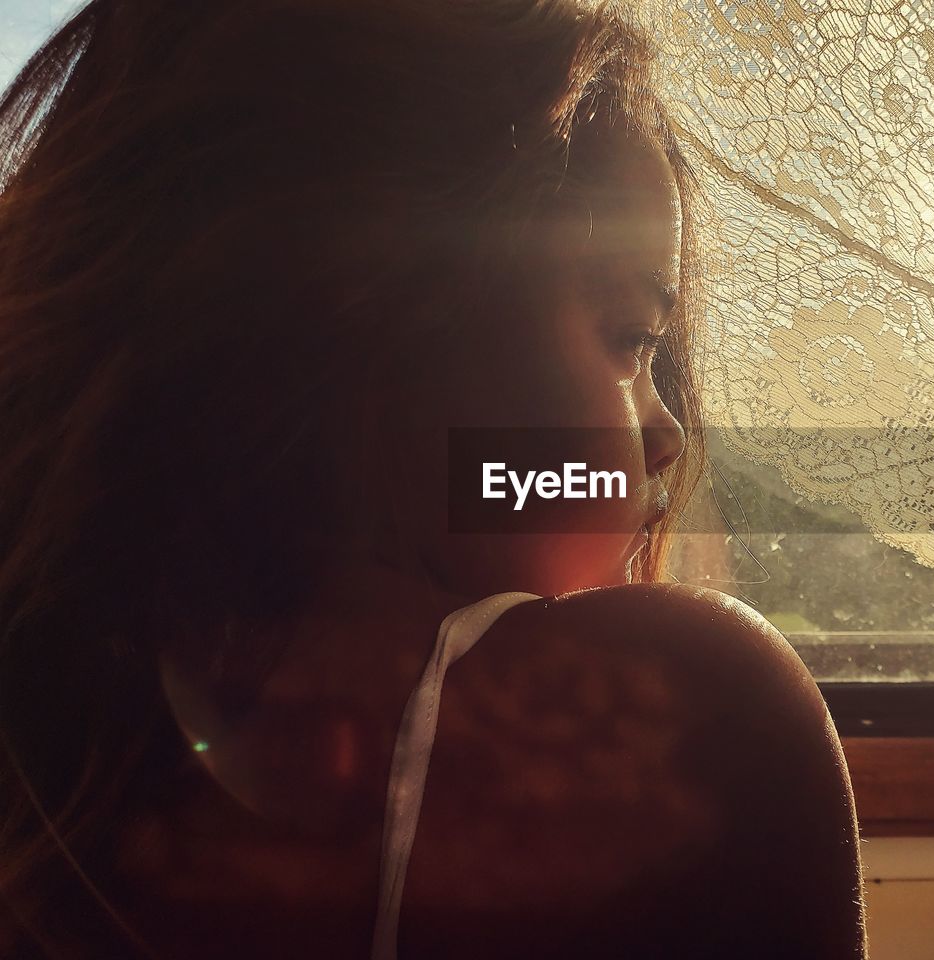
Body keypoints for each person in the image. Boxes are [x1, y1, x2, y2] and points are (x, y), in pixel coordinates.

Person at [0, 0, 868, 956]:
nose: (666, 434)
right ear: (375, 315)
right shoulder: (698, 716)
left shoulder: (62, 741)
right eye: (632, 339)